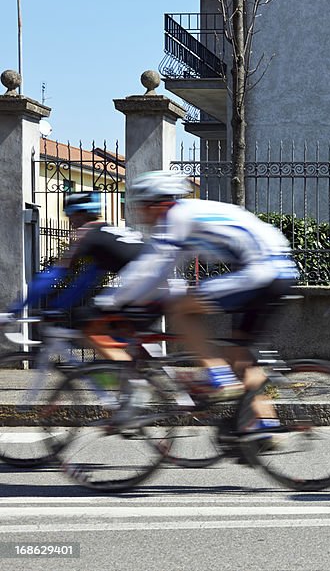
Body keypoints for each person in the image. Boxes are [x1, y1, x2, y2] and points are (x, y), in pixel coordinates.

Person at [95, 171, 298, 435]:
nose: (138, 212)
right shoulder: (191, 215)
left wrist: (111, 299)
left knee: (179, 309)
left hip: (259, 271)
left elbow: (150, 267)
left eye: (141, 205)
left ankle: (218, 376)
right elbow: (165, 269)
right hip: (279, 271)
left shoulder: (176, 216)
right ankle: (265, 426)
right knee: (241, 358)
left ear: (158, 203)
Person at [1, 192, 146, 361]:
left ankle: (131, 379)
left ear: (80, 214)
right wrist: (58, 306)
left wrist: (14, 310)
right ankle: (140, 369)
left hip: (142, 283)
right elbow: (86, 280)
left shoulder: (85, 235)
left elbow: (53, 275)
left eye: (71, 216)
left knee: (87, 323)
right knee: (115, 328)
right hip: (154, 281)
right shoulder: (109, 233)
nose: (70, 222)